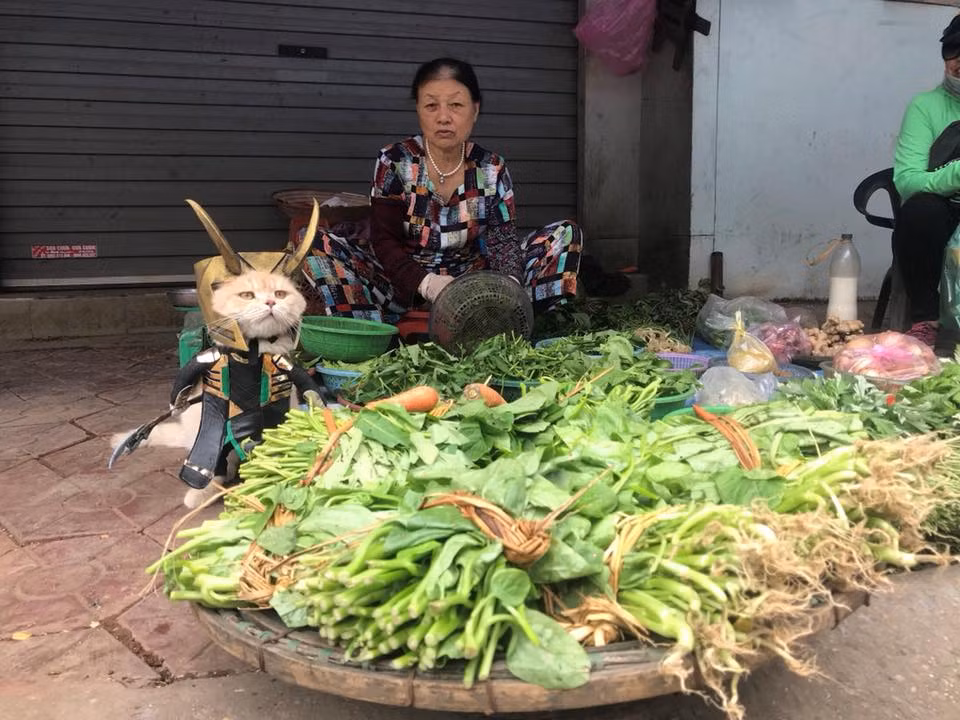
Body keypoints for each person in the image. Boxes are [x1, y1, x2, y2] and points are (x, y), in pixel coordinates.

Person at [295, 58, 583, 322]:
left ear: (475, 109)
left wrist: (507, 287)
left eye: (456, 105)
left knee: (564, 235)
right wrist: (427, 283)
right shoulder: (395, 161)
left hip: (475, 289)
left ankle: (523, 325)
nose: (443, 117)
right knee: (313, 242)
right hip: (402, 288)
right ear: (418, 110)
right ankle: (372, 333)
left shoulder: (492, 168)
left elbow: (502, 243)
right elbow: (384, 242)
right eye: (431, 105)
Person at [892, 15, 960, 346]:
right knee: (919, 212)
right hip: (944, 214)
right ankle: (926, 319)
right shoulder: (925, 107)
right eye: (953, 53)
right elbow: (907, 181)